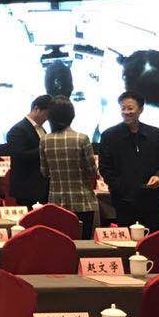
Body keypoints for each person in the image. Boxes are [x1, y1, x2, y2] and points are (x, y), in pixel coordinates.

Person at [98, 91, 159, 230]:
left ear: (141, 110)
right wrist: (120, 188)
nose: (126, 112)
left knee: (151, 236)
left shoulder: (155, 134)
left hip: (151, 198)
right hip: (123, 200)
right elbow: (104, 167)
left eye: (130, 108)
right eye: (123, 108)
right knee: (126, 238)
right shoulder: (109, 135)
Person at [39, 96, 98, 239]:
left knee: (60, 242)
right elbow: (92, 172)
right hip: (83, 201)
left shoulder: (45, 140)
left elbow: (44, 172)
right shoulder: (82, 138)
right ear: (72, 116)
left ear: (50, 117)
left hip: (56, 202)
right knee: (83, 243)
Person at [6, 95, 52, 207]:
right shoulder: (18, 130)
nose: (47, 118)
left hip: (42, 185)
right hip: (27, 187)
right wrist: (44, 149)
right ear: (36, 109)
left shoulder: (41, 128)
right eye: (46, 114)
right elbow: (19, 156)